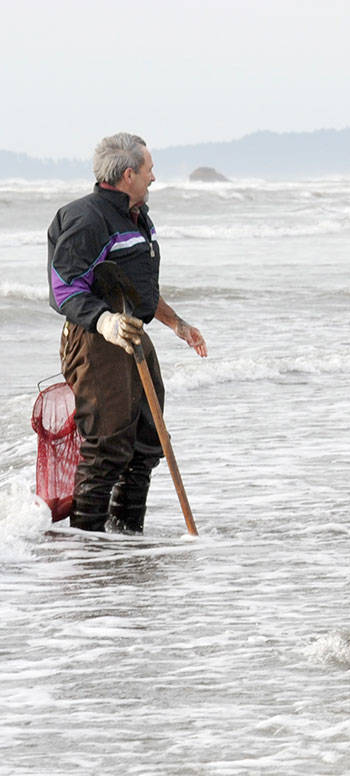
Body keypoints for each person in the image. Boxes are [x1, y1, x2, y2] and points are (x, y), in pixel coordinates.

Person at [46, 132, 207, 533]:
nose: (154, 177)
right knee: (108, 447)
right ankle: (89, 548)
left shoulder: (135, 216)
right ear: (129, 174)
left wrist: (178, 325)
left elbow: (136, 289)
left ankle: (126, 539)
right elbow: (63, 287)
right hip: (96, 340)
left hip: (133, 335)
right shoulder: (87, 219)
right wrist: (105, 322)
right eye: (149, 169)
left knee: (147, 443)